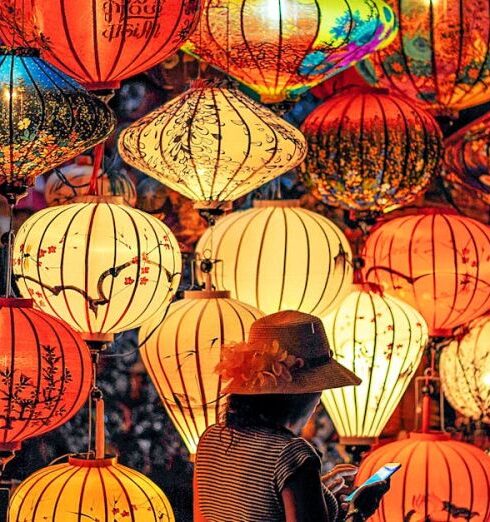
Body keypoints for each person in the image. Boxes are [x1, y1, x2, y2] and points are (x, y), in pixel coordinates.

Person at [194, 310, 390, 522]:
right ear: (306, 392)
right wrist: (358, 512)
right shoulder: (292, 454)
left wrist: (316, 493)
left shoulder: (211, 439)